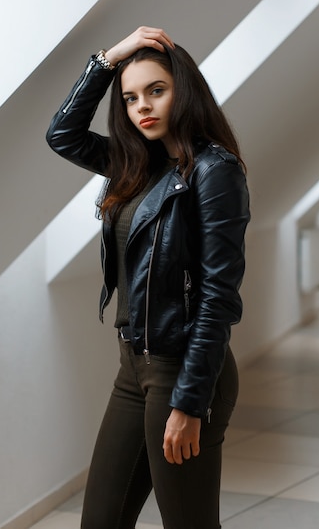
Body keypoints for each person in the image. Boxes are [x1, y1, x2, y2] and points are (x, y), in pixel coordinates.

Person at [46, 26, 250, 529]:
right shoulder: (134, 163)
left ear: (184, 90)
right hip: (133, 367)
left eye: (156, 90)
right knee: (101, 520)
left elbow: (217, 296)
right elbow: (62, 135)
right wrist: (108, 60)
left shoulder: (214, 171)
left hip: (183, 370)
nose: (143, 107)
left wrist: (189, 400)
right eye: (131, 97)